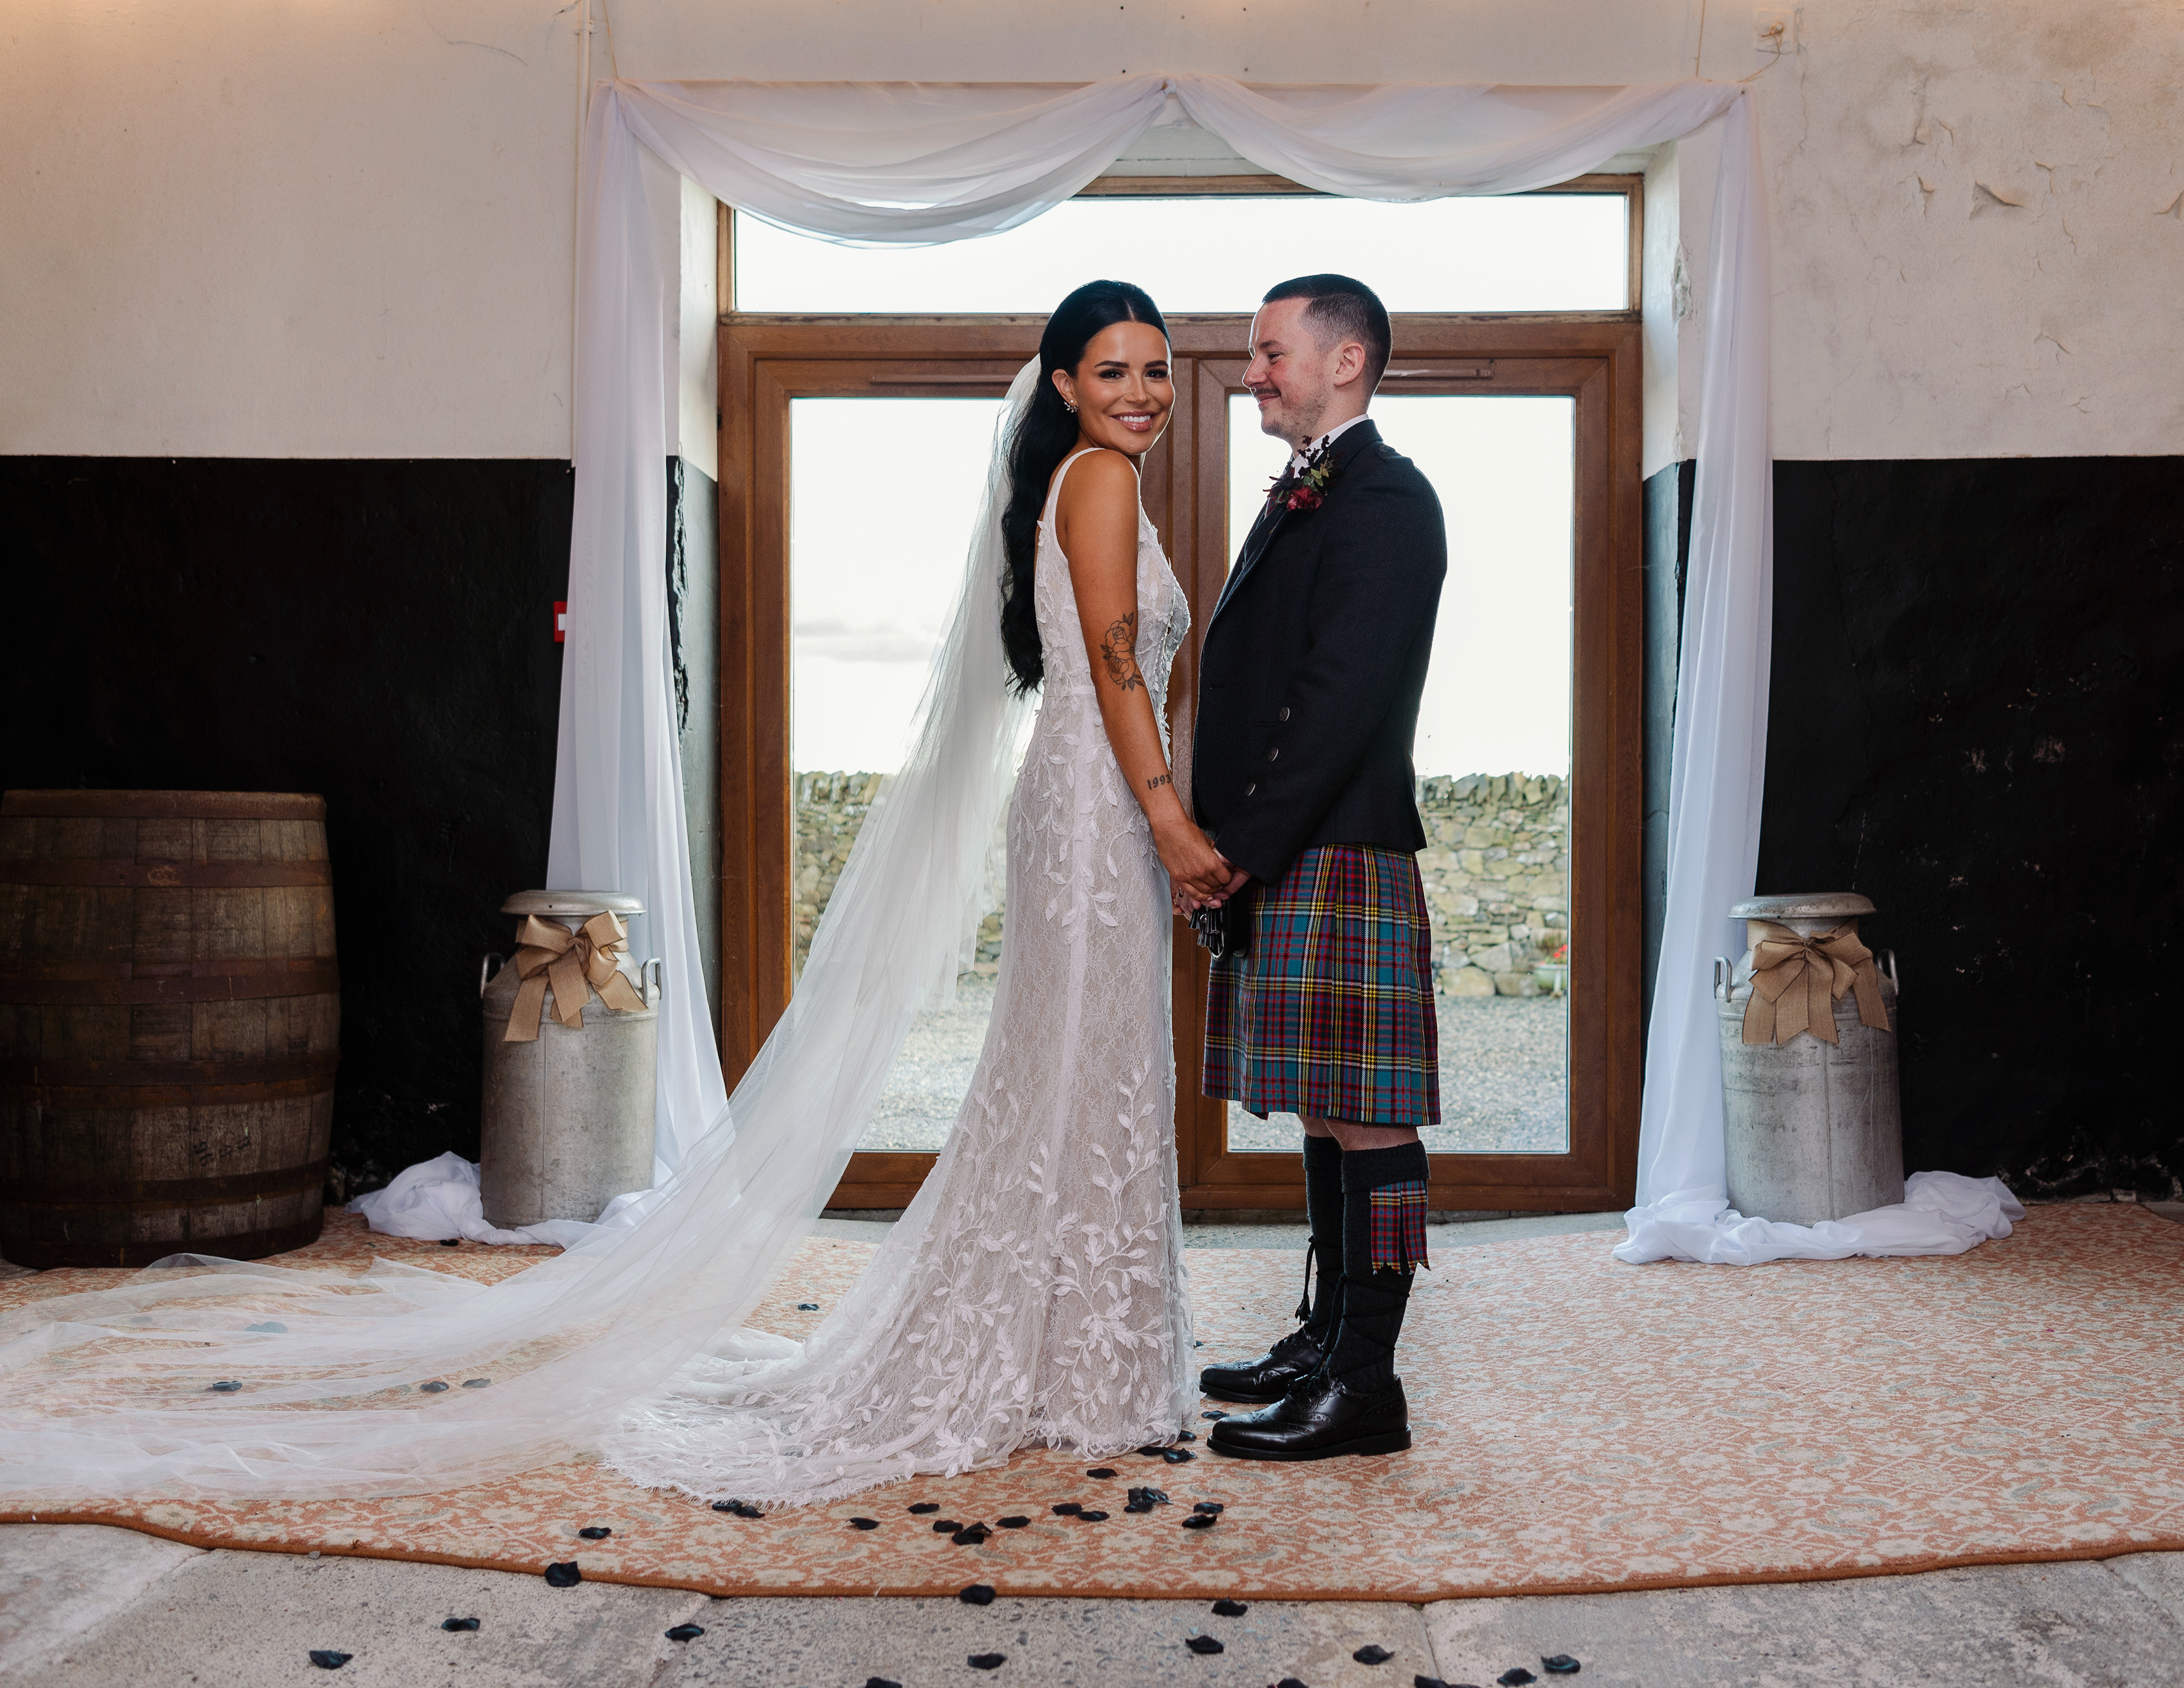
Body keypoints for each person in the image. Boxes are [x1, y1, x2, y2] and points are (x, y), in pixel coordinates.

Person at [0, 284, 1224, 1508]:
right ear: (1062, 384)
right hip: (1098, 808)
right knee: (1084, 1063)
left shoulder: (1080, 479)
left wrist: (1154, 809)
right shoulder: (1100, 482)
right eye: (1113, 371)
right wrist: (1167, 816)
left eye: (1156, 370)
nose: (1142, 394)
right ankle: (1078, 1363)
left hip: (1089, 801)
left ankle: (1072, 1354)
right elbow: (1117, 664)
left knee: (1079, 1066)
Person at [1187, 275, 1450, 1461]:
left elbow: (1340, 700)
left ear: (1345, 362)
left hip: (1335, 841)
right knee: (1327, 1106)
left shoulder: (1387, 497)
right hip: (1302, 840)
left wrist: (1239, 850)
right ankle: (1327, 1342)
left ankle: (1366, 1387)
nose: (1253, 372)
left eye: (1269, 351)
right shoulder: (1315, 485)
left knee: (1367, 1114)